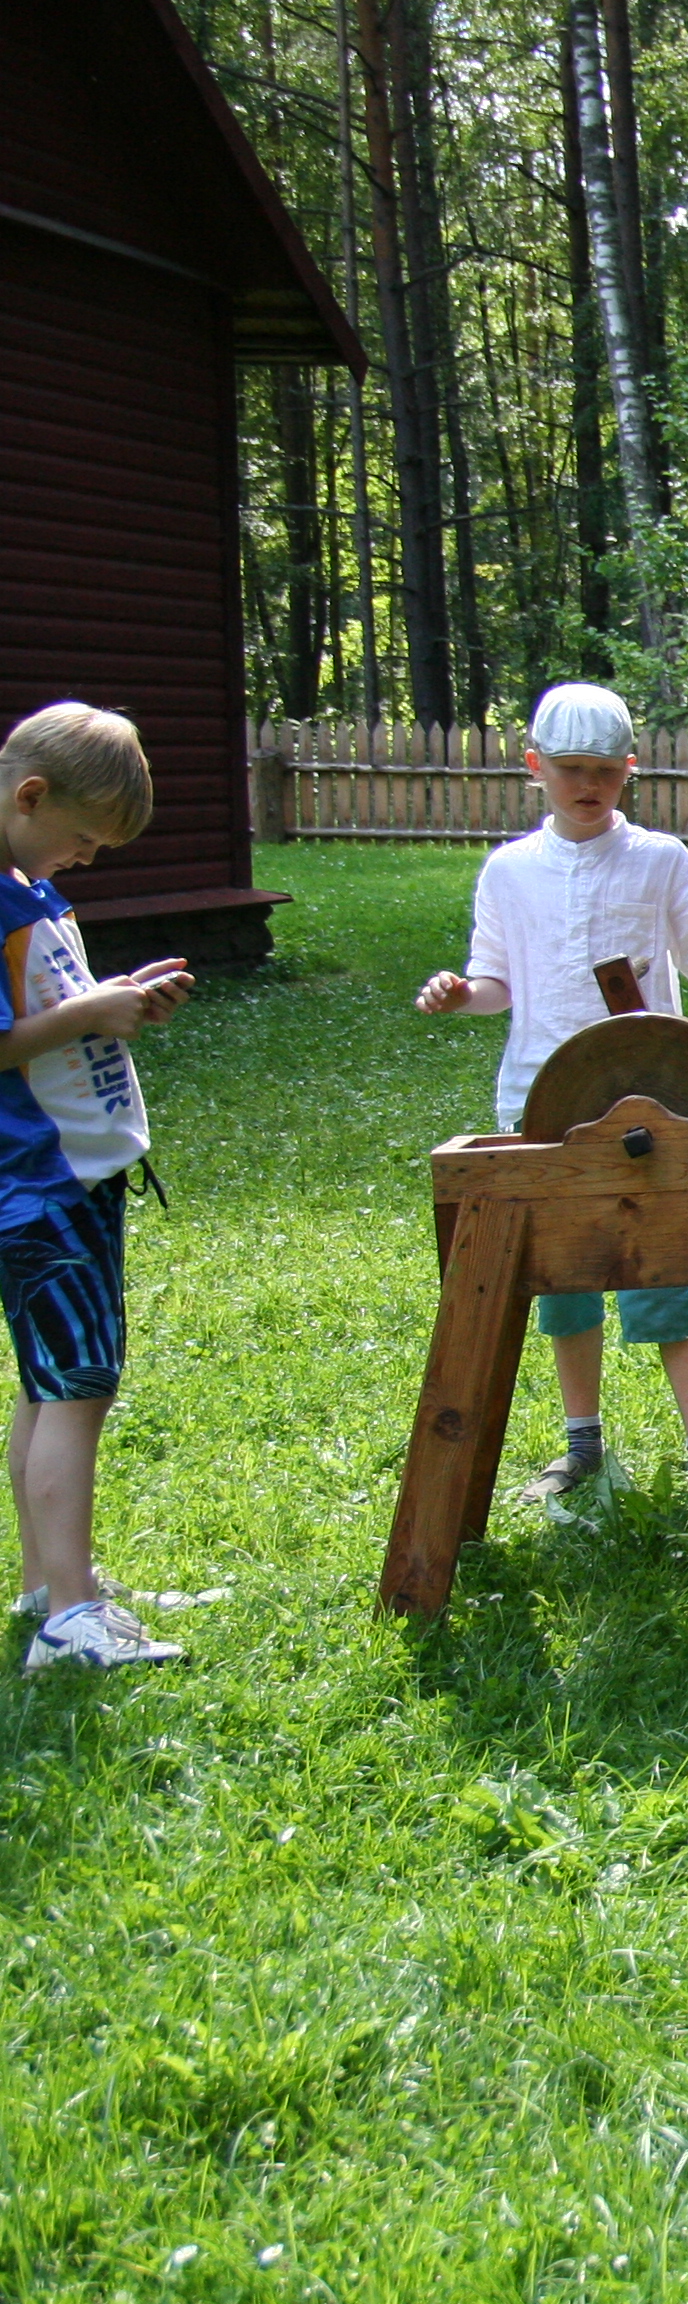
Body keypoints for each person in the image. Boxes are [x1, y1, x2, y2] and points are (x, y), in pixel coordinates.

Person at [416, 682, 688, 1503]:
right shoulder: (509, 869)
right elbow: (495, 982)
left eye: (605, 773)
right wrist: (456, 992)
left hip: (653, 1097)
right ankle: (582, 1448)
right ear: (533, 766)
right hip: (543, 1096)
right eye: (571, 769)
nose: (587, 786)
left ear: (631, 769)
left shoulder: (660, 861)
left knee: (664, 1275)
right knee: (561, 1283)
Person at [0, 705, 193, 1671]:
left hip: (75, 1175)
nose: (83, 859)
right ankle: (72, 1621)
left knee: (49, 1384)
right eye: (81, 837)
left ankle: (51, 1581)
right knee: (78, 1385)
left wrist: (113, 999)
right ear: (30, 796)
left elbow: (48, 1011)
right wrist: (89, 1012)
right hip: (40, 1185)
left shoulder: (28, 888)